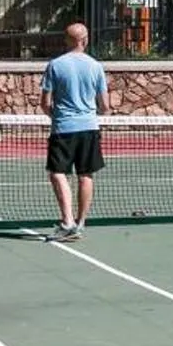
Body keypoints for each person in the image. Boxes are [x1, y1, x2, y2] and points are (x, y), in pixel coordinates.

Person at [41, 22, 110, 241]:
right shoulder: (96, 66)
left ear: (67, 40)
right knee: (85, 175)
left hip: (63, 129)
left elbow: (45, 103)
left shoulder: (55, 65)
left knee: (57, 173)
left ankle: (68, 221)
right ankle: (79, 223)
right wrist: (93, 114)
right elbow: (105, 106)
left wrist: (58, 116)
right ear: (86, 40)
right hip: (88, 128)